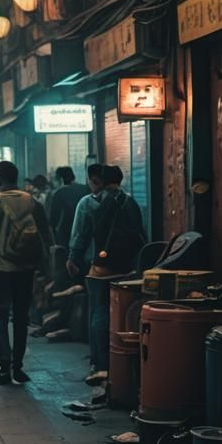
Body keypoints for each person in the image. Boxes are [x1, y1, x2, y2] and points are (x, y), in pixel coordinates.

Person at [0, 161, 53, 385]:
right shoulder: (31, 200)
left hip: (0, 269)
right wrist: (44, 263)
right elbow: (45, 233)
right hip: (25, 268)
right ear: (17, 177)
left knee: (0, 316)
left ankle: (4, 366)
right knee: (21, 317)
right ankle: (18, 366)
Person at [69, 165, 145, 385]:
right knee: (121, 314)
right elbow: (139, 232)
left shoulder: (89, 202)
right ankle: (119, 361)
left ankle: (99, 364)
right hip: (125, 268)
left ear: (99, 181)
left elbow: (80, 235)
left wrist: (73, 258)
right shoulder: (129, 201)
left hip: (100, 268)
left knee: (98, 313)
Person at [48, 167, 90, 252]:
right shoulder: (85, 189)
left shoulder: (59, 193)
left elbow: (53, 220)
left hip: (66, 236)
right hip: (85, 234)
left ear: (60, 179)